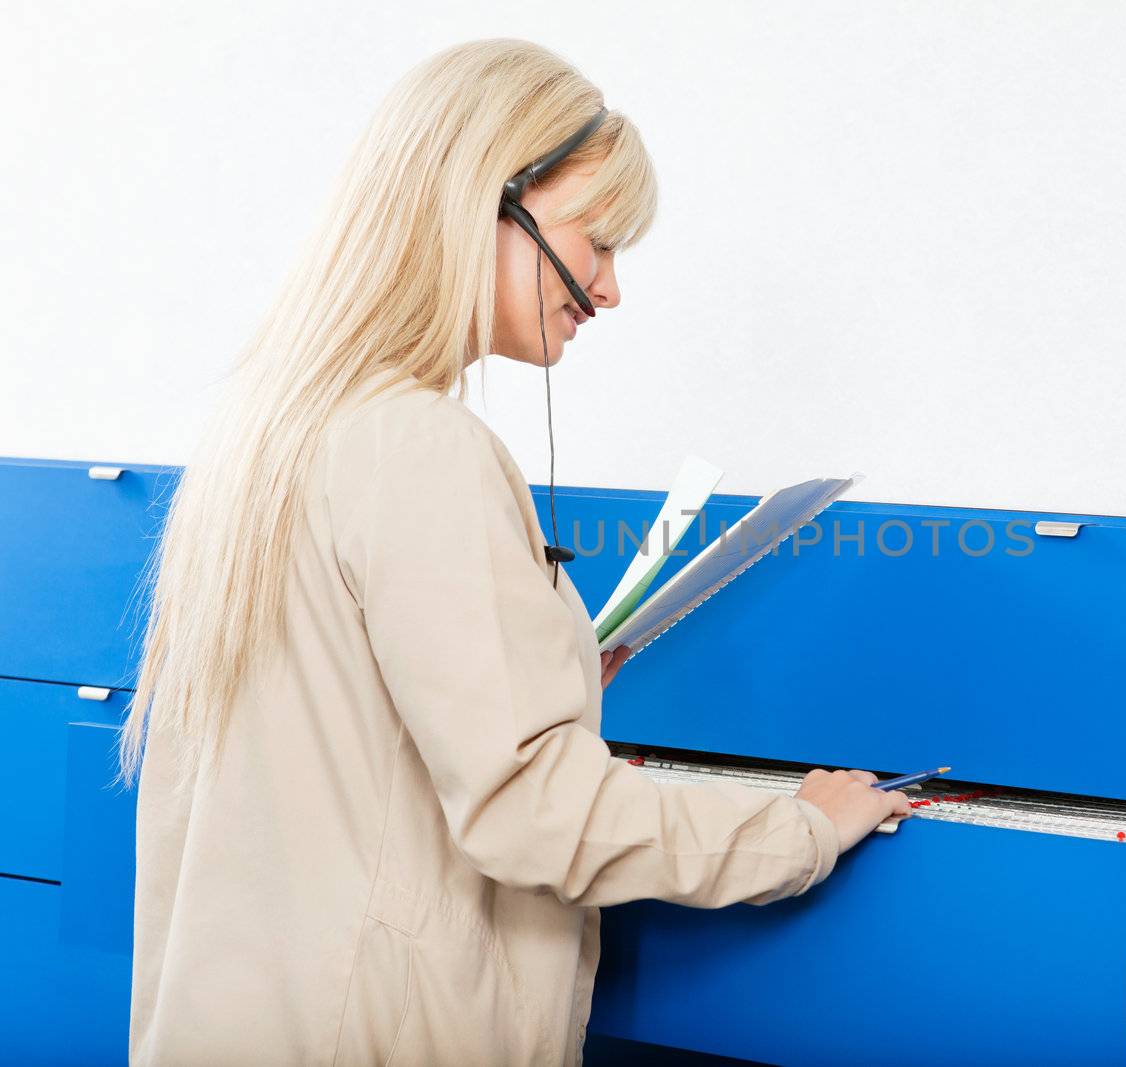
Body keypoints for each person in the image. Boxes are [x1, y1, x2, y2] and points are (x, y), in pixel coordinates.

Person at [119, 38, 911, 1066]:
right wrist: (800, 827)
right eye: (599, 241)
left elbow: (340, 734)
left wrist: (547, 664)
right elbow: (533, 814)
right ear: (490, 201)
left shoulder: (267, 432)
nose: (610, 288)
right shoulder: (419, 444)